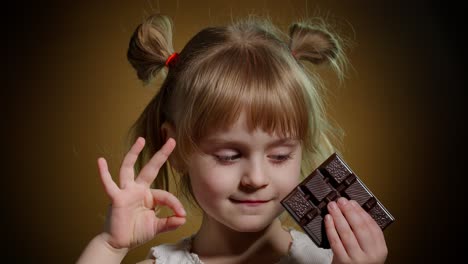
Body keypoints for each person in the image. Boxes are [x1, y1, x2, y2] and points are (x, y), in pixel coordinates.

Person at [77, 13, 388, 264]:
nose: (256, 178)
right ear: (178, 149)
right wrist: (110, 246)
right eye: (229, 156)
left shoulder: (335, 260)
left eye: (279, 156)